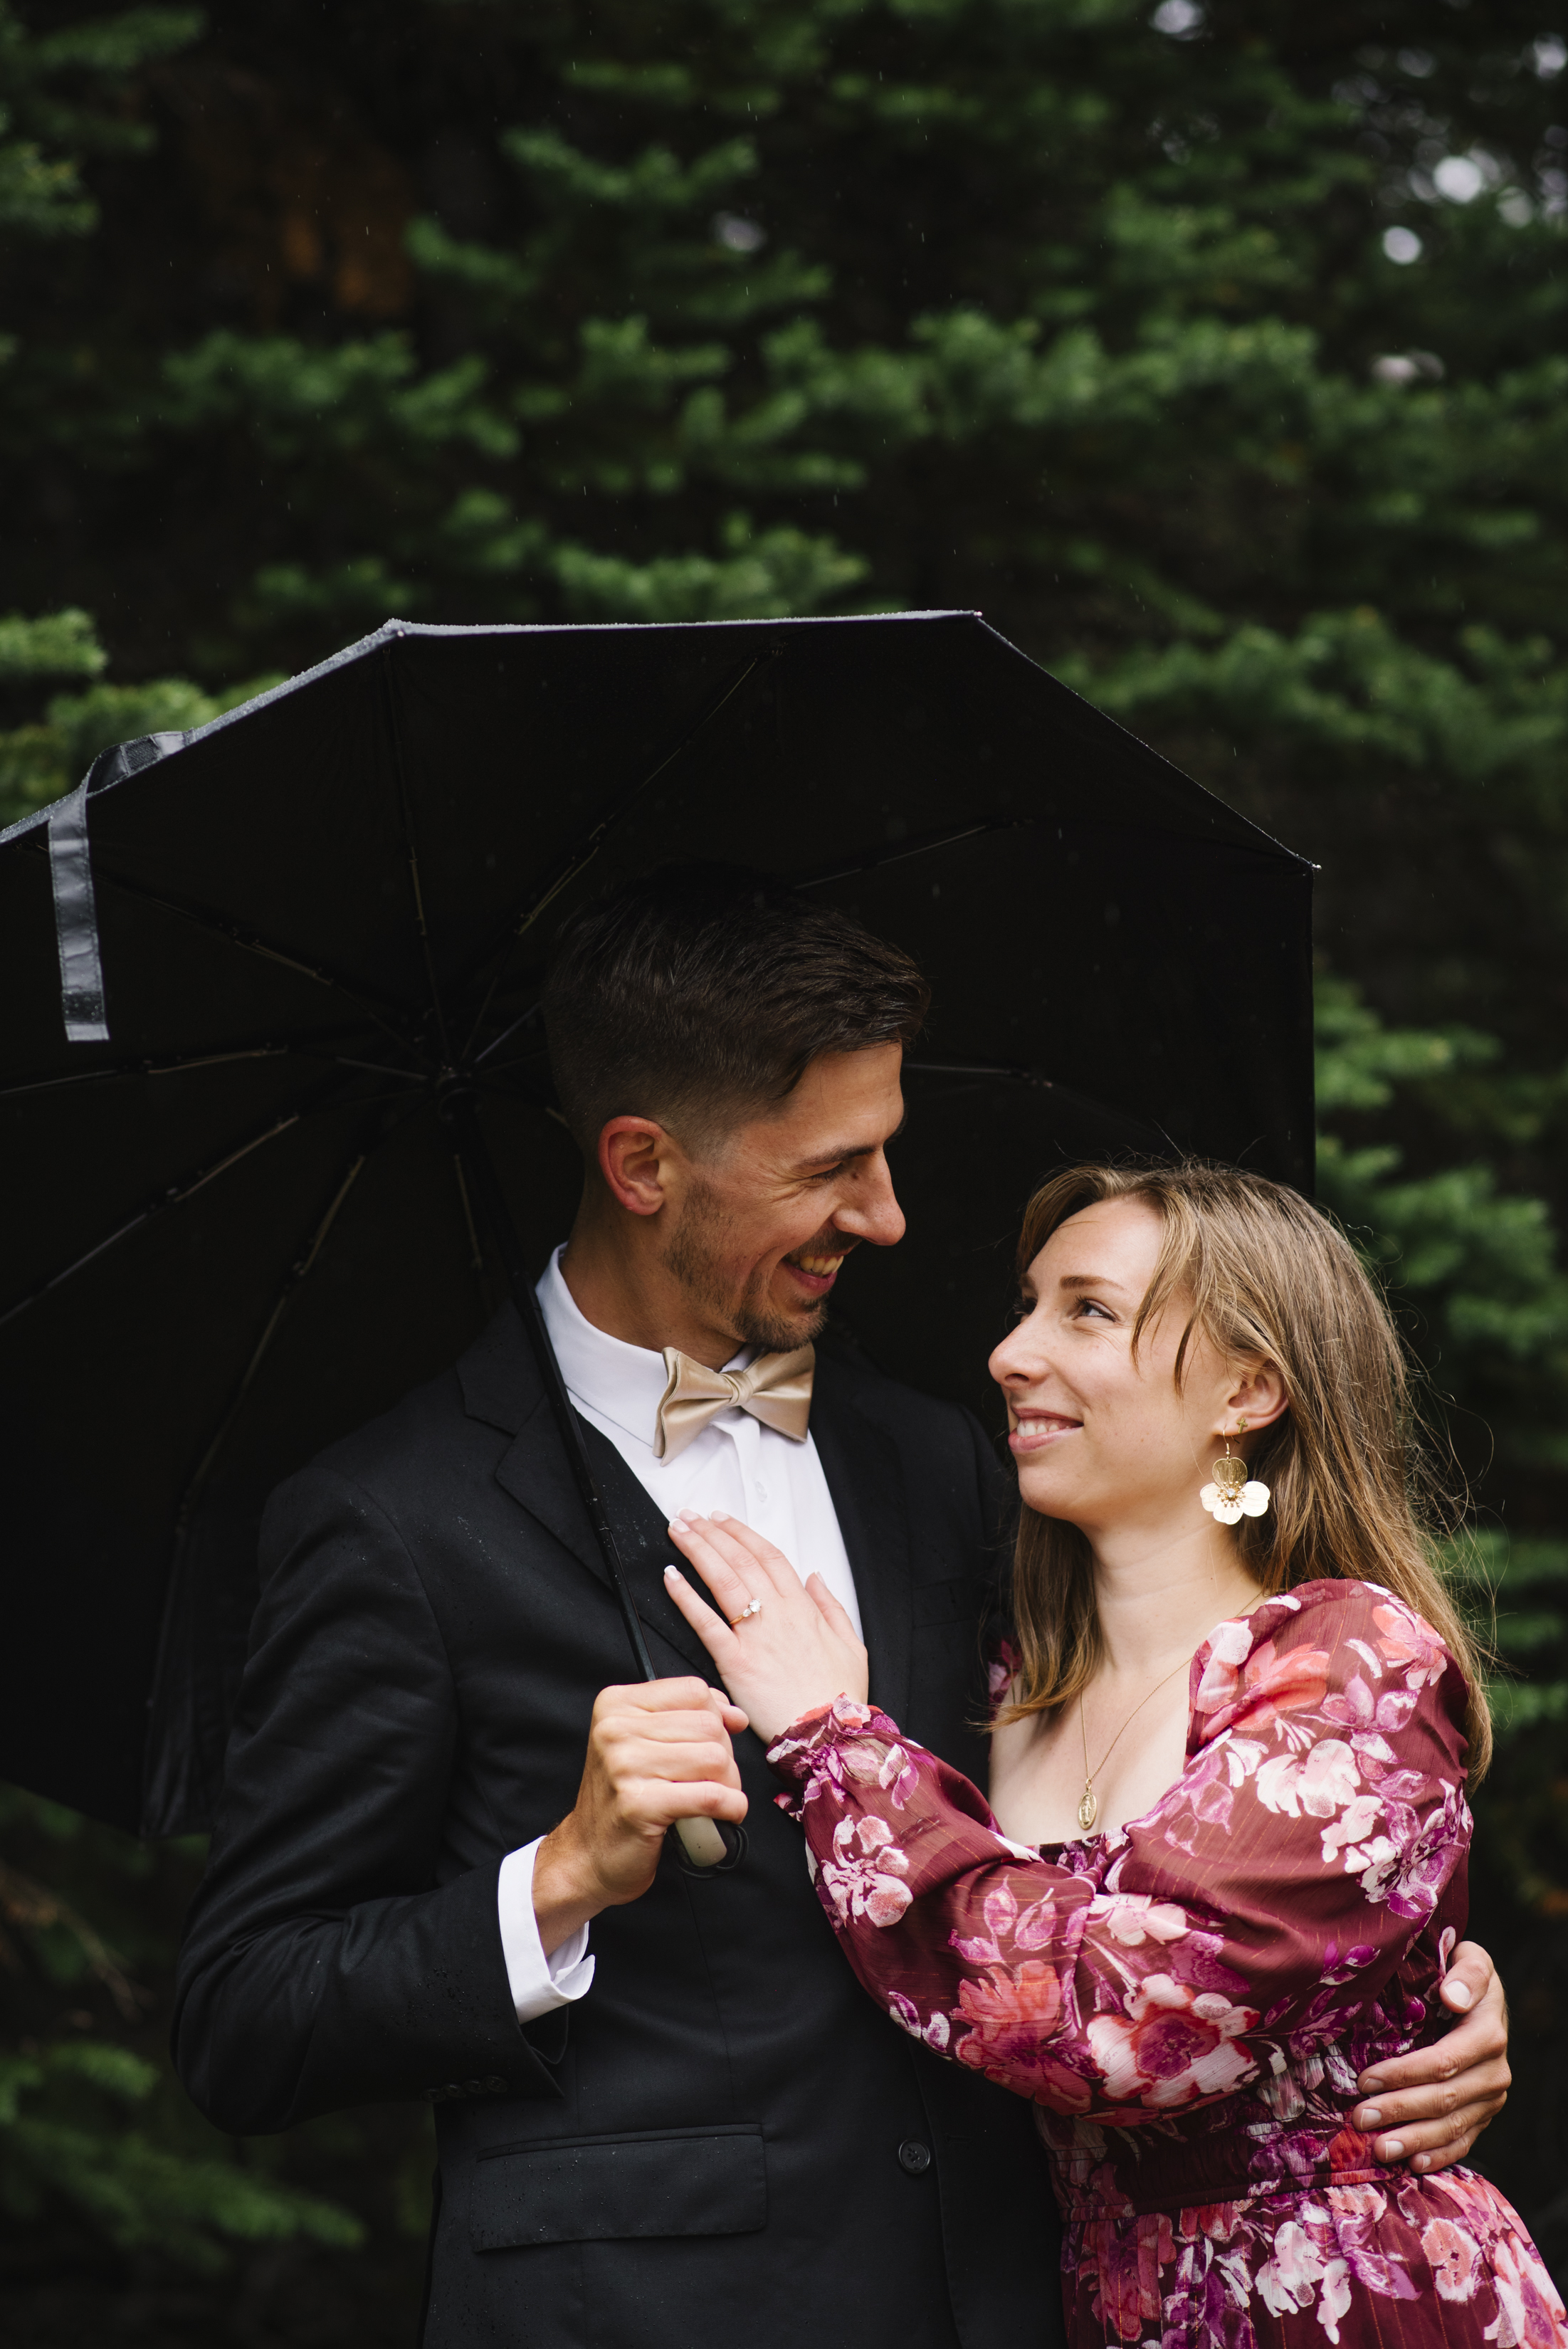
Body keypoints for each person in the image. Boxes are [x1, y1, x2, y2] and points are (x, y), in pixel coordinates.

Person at [173, 873, 1510, 2349]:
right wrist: (551, 1881)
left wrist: (1416, 1989)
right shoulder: (393, 1520)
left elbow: (1178, 1821)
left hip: (1008, 2302)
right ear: (642, 1164)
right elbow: (247, 2016)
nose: (885, 1215)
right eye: (834, 1167)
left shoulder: (938, 1460)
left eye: (887, 1150)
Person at [661, 1159, 1556, 2347]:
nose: (1009, 1354)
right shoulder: (999, 1685)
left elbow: (1127, 2027)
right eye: (1026, 1305)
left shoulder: (1350, 1662)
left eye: (1088, 1310)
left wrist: (835, 1743)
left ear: (1248, 1389)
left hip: (1348, 2305)